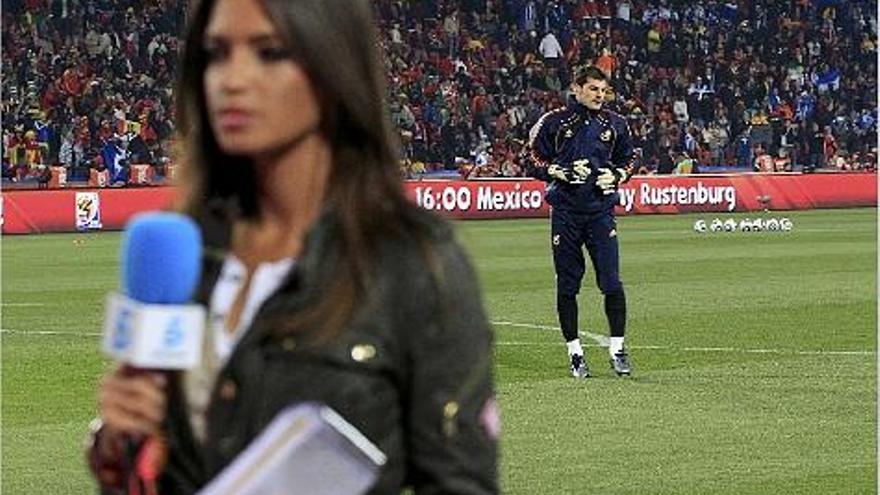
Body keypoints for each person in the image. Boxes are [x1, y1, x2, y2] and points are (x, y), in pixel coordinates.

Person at [87, 0, 499, 493]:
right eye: (216, 53)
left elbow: (461, 483)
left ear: (334, 72)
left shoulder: (413, 262)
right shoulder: (186, 250)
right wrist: (121, 449)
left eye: (270, 52)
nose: (231, 79)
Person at [526, 65, 635, 378]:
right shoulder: (554, 122)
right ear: (576, 88)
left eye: (603, 90)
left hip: (601, 213)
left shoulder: (616, 124)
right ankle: (575, 352)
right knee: (568, 285)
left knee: (611, 282)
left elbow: (630, 159)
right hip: (566, 214)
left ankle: (618, 349)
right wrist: (554, 171)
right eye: (593, 89)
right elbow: (531, 157)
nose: (599, 95)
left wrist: (616, 175)